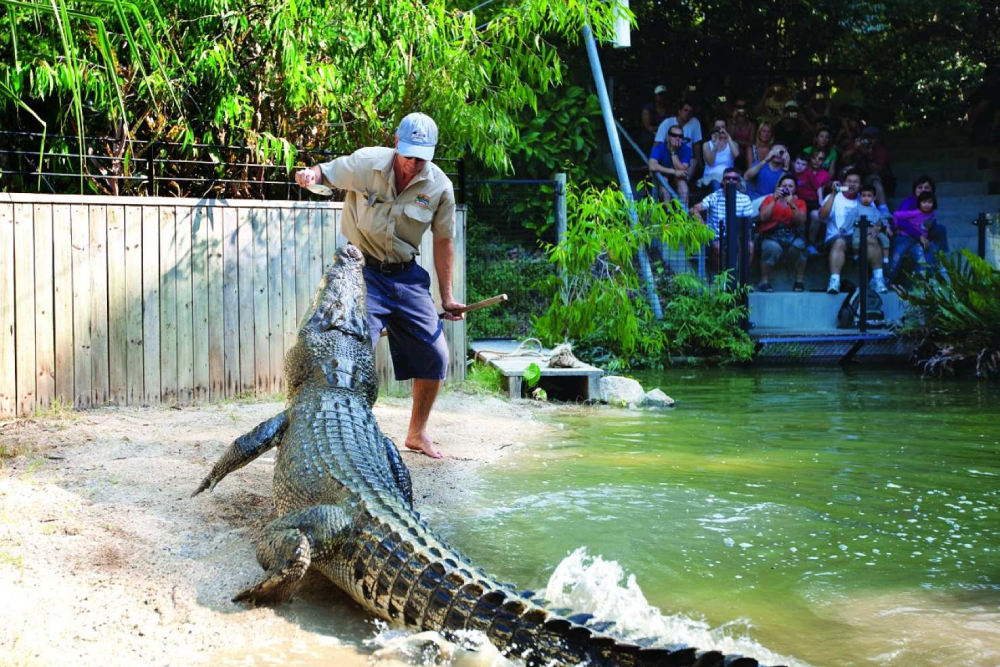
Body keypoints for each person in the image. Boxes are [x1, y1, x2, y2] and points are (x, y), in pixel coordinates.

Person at [293, 112, 464, 459]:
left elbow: (444, 241)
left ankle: (417, 433)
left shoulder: (440, 186)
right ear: (397, 143)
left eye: (423, 157)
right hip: (360, 271)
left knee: (435, 354)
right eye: (410, 155)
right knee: (350, 356)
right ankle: (347, 434)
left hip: (405, 275)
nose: (415, 164)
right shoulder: (368, 162)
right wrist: (312, 174)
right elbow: (327, 172)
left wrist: (447, 297)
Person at [816, 170, 884, 294]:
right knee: (840, 242)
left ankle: (878, 279)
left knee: (872, 240)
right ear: (843, 183)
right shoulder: (835, 197)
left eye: (856, 182)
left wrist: (876, 227)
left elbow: (876, 219)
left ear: (860, 185)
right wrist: (833, 193)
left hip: (858, 237)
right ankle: (834, 281)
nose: (852, 184)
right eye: (849, 181)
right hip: (836, 237)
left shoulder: (864, 198)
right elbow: (822, 216)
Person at [689, 167, 755, 272]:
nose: (731, 181)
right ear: (722, 181)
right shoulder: (714, 197)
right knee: (717, 247)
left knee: (750, 246)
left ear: (738, 182)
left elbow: (747, 222)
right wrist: (702, 225)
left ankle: (741, 279)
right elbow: (693, 209)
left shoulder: (745, 199)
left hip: (737, 236)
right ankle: (720, 278)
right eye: (728, 178)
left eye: (734, 179)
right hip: (716, 236)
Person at [756, 174, 807, 292]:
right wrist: (775, 199)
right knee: (771, 248)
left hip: (792, 234)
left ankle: (799, 281)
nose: (787, 188)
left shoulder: (800, 202)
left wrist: (792, 205)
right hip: (771, 235)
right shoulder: (769, 199)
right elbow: (763, 217)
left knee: (800, 245)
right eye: (784, 186)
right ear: (778, 187)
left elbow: (801, 221)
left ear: (795, 188)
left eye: (790, 186)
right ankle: (764, 281)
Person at [888, 191, 940, 282]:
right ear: (919, 203)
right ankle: (888, 280)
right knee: (895, 260)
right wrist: (894, 228)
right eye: (924, 202)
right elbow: (896, 214)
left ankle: (919, 283)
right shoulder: (915, 213)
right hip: (905, 238)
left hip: (916, 241)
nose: (926, 205)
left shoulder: (932, 214)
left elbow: (927, 227)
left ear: (933, 203)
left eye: (929, 202)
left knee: (921, 261)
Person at [846, 184, 891, 289]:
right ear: (860, 196)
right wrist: (843, 228)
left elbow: (883, 220)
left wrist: (887, 227)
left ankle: (885, 261)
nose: (866, 198)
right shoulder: (856, 210)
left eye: (869, 196)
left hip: (874, 232)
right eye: (863, 196)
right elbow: (849, 220)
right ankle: (856, 257)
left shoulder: (875, 211)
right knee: (856, 242)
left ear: (874, 197)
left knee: (885, 240)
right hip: (859, 231)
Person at [840, 126, 892, 206]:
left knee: (876, 182)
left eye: (871, 138)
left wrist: (868, 155)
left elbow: (878, 170)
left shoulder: (880, 149)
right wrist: (854, 149)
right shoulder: (855, 143)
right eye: (865, 137)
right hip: (852, 177)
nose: (868, 140)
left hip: (868, 177)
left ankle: (883, 209)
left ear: (877, 139)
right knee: (843, 178)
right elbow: (843, 158)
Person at [897, 175, 949, 252]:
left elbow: (929, 221)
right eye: (920, 187)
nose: (923, 190)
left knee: (940, 229)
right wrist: (920, 236)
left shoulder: (930, 203)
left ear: (932, 191)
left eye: (926, 188)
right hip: (909, 235)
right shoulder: (908, 203)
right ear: (915, 190)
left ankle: (943, 256)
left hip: (924, 234)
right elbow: (900, 222)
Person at [654, 99, 703, 177]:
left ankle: (683, 180)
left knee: (694, 161)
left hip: (685, 158)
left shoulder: (695, 122)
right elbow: (658, 142)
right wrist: (654, 157)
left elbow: (697, 145)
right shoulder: (667, 123)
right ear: (679, 111)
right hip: (668, 155)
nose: (687, 113)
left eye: (690, 112)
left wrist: (700, 164)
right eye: (685, 110)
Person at [649, 125, 692, 206]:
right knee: (664, 180)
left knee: (682, 184)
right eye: (674, 135)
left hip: (677, 178)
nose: (677, 138)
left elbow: (683, 169)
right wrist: (673, 171)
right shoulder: (659, 148)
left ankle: (684, 215)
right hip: (662, 178)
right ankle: (668, 213)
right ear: (668, 137)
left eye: (680, 136)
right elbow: (652, 165)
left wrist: (673, 152)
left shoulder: (686, 149)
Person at [701, 118, 739, 190]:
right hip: (712, 177)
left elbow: (736, 154)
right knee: (716, 185)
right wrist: (715, 146)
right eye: (717, 128)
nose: (721, 130)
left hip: (729, 176)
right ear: (713, 129)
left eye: (723, 127)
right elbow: (710, 163)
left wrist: (727, 136)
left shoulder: (732, 144)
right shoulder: (707, 144)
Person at [966, 66, 1000, 142]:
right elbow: (972, 102)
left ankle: (992, 132)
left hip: (996, 112)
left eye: (995, 76)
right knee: (982, 105)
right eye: (990, 76)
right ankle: (971, 131)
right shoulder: (982, 89)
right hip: (985, 113)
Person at [793, 150, 830, 217]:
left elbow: (818, 188)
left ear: (807, 166)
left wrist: (820, 202)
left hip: (811, 200)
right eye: (798, 163)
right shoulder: (793, 172)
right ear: (793, 163)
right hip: (800, 199)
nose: (800, 166)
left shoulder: (808, 173)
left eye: (803, 164)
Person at [727, 97, 756, 168]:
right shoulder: (729, 121)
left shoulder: (751, 124)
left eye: (744, 106)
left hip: (746, 154)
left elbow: (751, 143)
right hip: (732, 152)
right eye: (739, 106)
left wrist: (736, 141)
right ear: (735, 107)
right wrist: (734, 119)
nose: (741, 108)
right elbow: (729, 138)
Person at [641, 85, 671, 150]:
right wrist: (661, 128)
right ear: (655, 96)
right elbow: (648, 127)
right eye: (660, 95)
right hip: (650, 135)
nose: (662, 97)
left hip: (665, 134)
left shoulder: (669, 109)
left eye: (664, 95)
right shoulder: (648, 108)